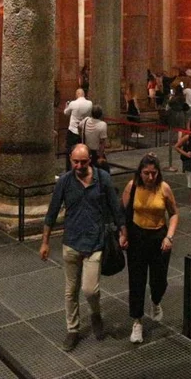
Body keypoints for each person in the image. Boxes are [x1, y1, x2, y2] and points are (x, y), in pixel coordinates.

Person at [41, 144, 125, 351]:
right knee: (71, 291)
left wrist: (123, 232)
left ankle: (95, 314)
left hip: (95, 242)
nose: (79, 166)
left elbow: (115, 207)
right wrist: (45, 242)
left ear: (90, 160)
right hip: (71, 242)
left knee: (90, 290)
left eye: (83, 162)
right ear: (70, 159)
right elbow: (52, 211)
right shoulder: (64, 181)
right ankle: (73, 329)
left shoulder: (102, 179)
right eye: (75, 162)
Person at [119, 153, 179, 343]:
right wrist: (123, 234)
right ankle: (137, 321)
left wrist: (169, 236)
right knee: (136, 279)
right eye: (146, 173)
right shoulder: (132, 186)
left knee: (159, 279)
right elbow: (123, 213)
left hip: (158, 236)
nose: (150, 177)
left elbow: (174, 213)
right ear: (140, 172)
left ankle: (156, 300)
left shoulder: (164, 188)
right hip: (137, 236)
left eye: (154, 173)